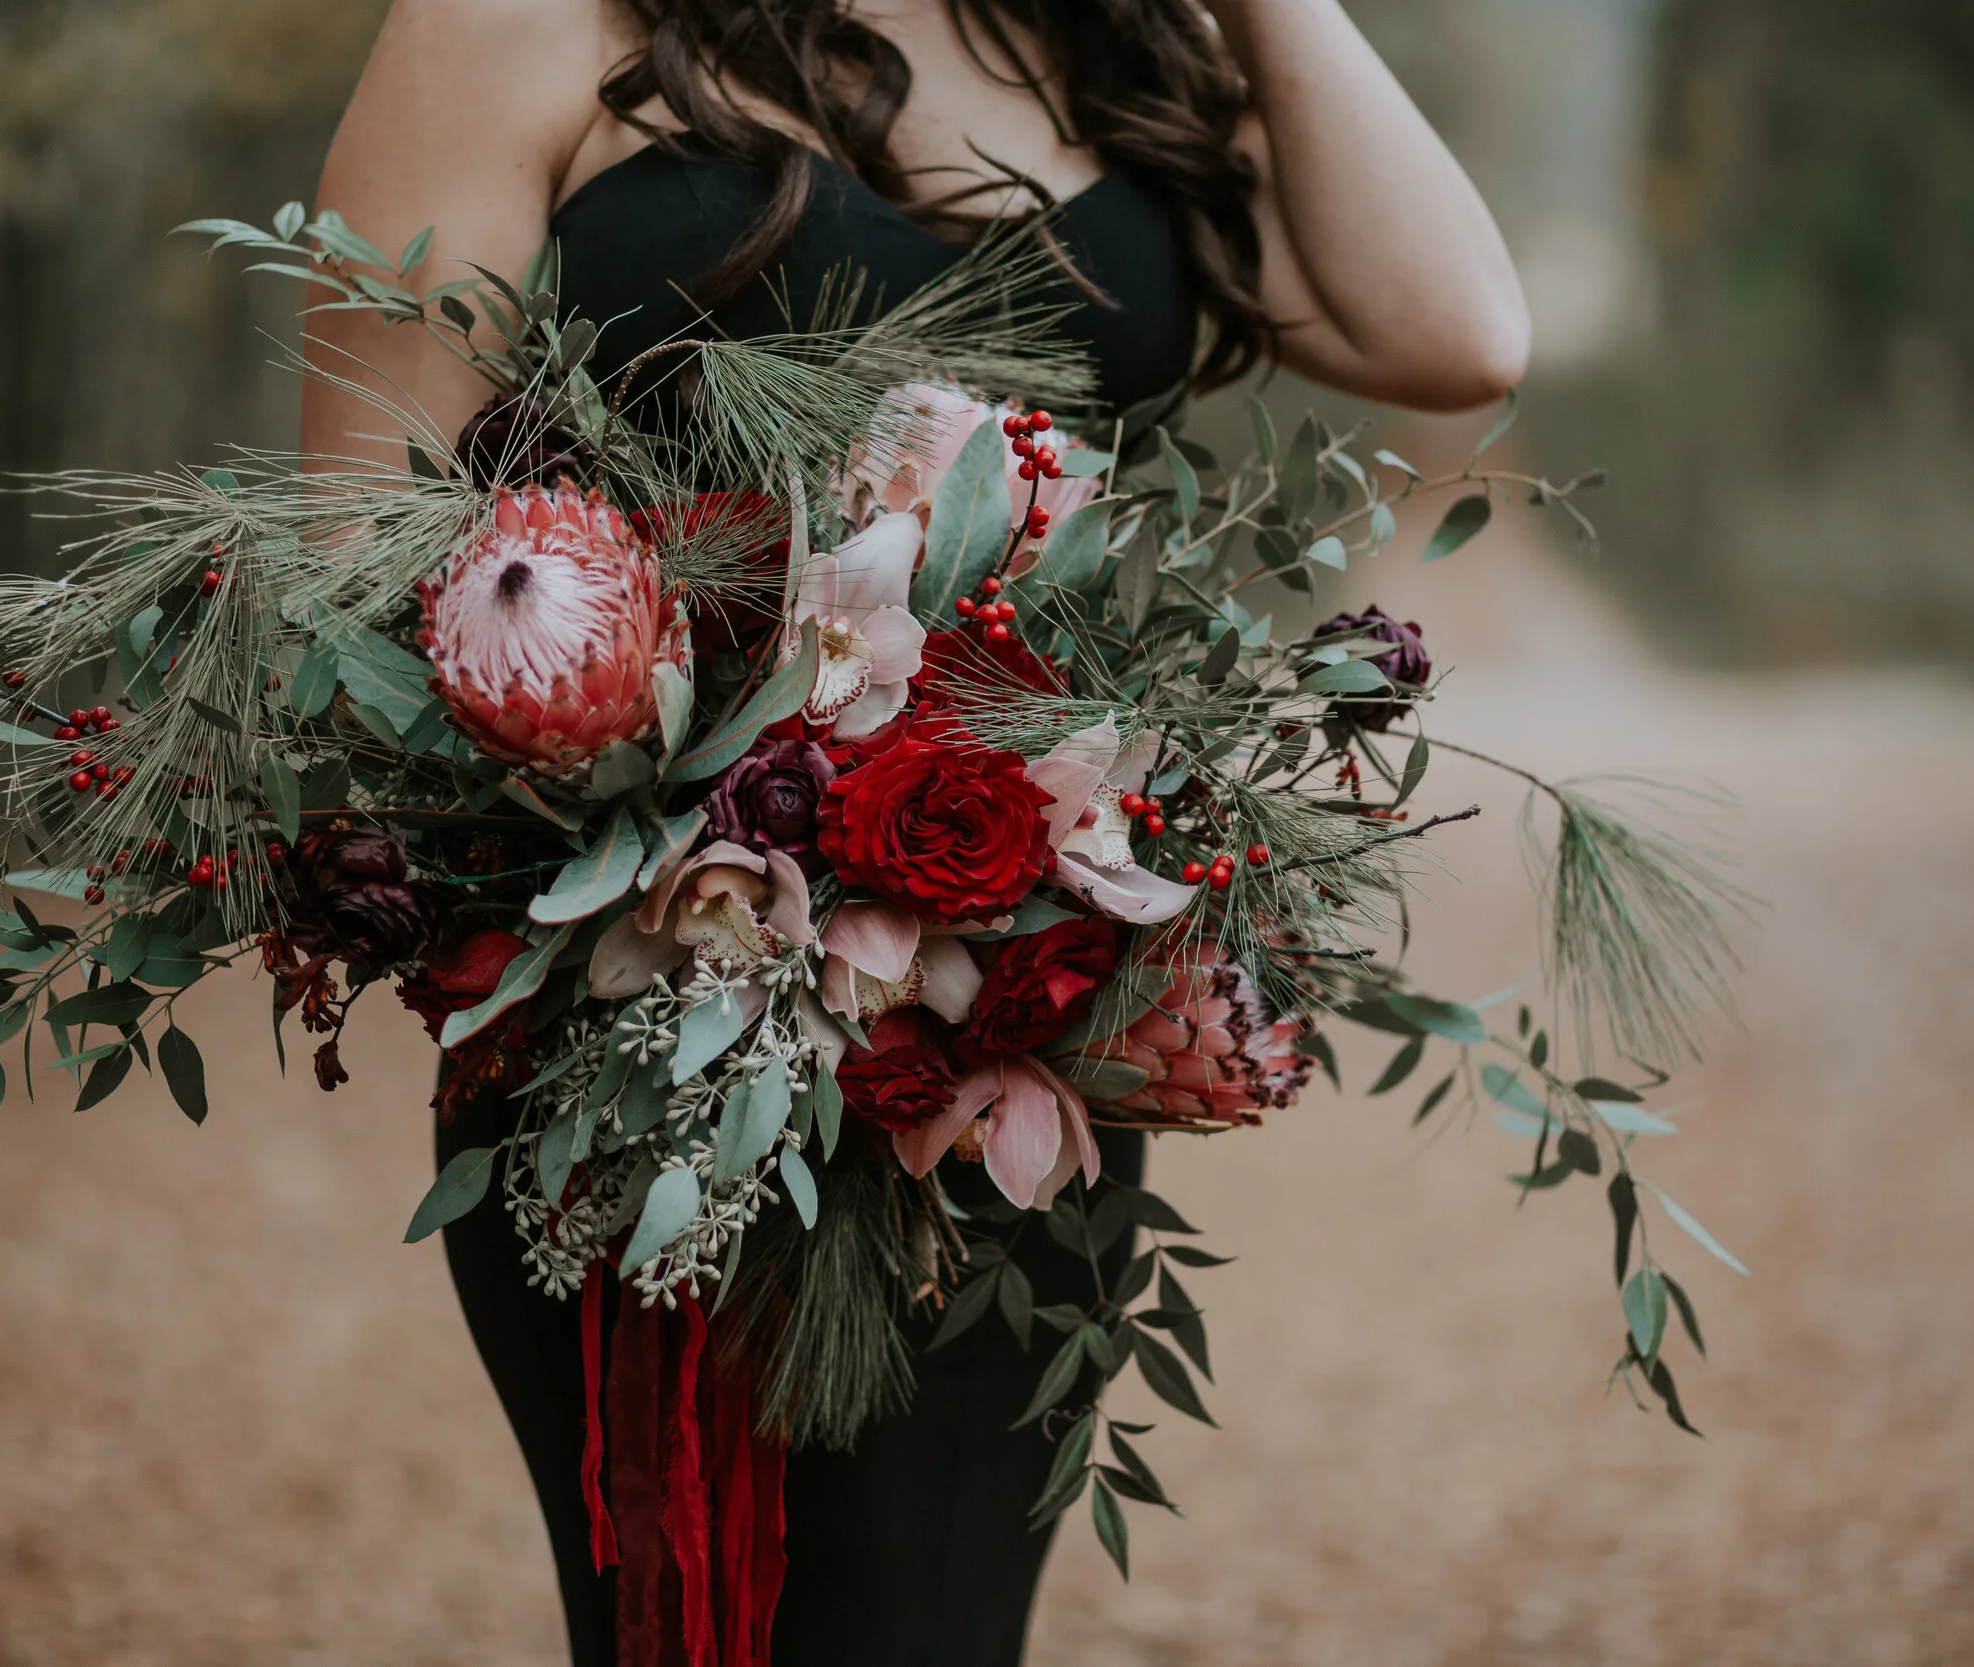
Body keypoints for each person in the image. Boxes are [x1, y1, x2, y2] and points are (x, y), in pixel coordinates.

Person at [303, 3, 1527, 1662]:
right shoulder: (518, 23)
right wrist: (682, 828)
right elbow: (359, 565)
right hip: (646, 1026)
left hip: (1024, 1033)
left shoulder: (1116, 40)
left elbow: (1459, 333)